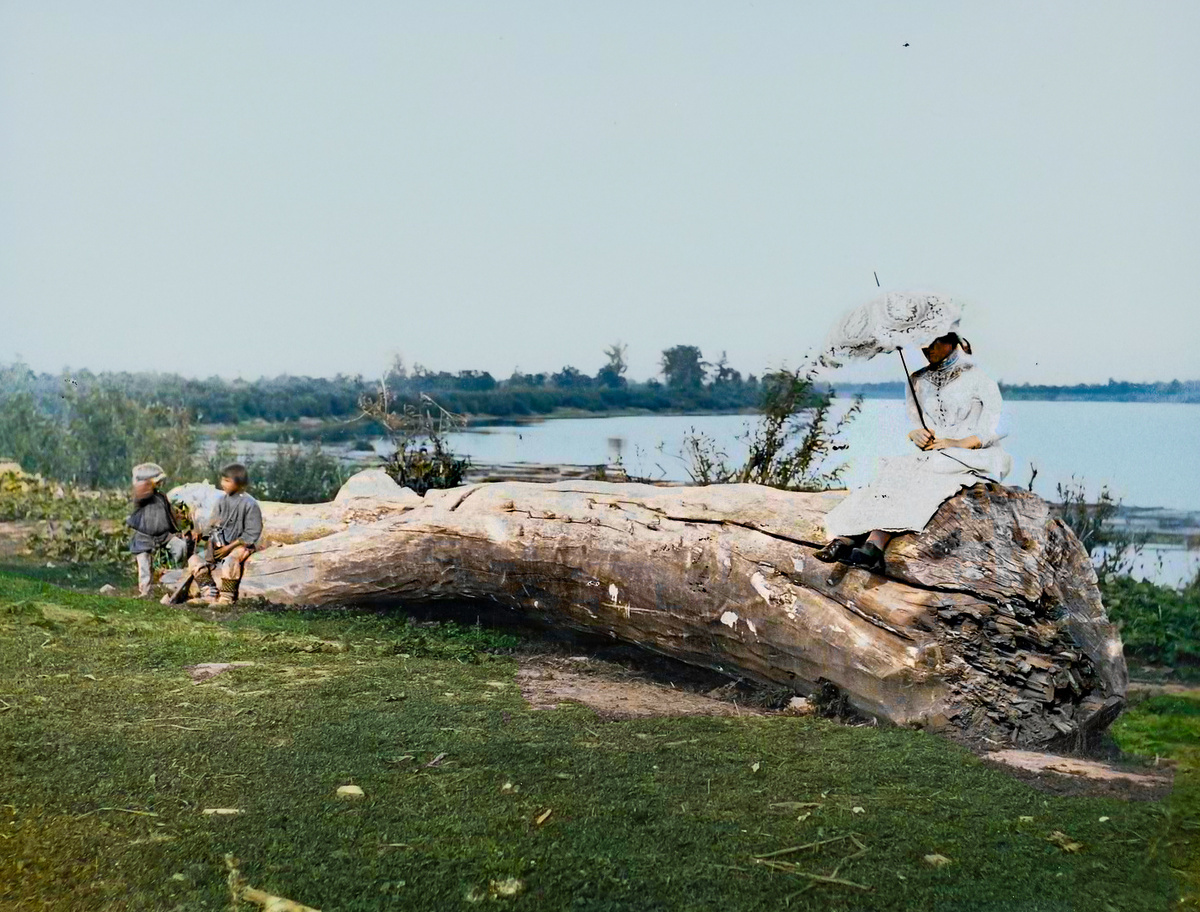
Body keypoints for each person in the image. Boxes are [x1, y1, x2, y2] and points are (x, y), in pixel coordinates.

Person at [815, 331, 1013, 573]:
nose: (925, 349)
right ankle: (846, 539)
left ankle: (874, 543)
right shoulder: (918, 380)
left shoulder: (978, 378)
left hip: (971, 455)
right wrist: (916, 434)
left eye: (933, 342)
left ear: (951, 342)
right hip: (935, 454)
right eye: (922, 344)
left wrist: (958, 442)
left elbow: (996, 426)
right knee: (894, 471)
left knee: (923, 473)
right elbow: (921, 425)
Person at [186, 462, 263, 606]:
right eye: (222, 480)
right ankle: (209, 593)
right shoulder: (221, 501)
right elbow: (213, 524)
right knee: (194, 560)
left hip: (241, 545)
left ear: (240, 484)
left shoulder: (250, 504)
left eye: (227, 481)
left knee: (230, 560)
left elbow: (252, 532)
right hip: (221, 544)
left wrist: (228, 548)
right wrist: (201, 533)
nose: (223, 483)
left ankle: (227, 598)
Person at [127, 463, 190, 598]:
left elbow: (170, 513)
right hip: (144, 536)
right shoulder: (141, 496)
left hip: (163, 535)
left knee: (180, 546)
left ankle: (176, 578)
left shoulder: (161, 496)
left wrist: (177, 528)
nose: (160, 484)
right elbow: (140, 492)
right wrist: (146, 482)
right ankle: (145, 591)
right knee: (144, 564)